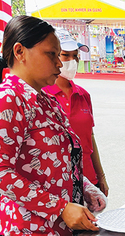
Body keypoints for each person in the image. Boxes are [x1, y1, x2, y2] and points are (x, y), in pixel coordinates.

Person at [0, 16, 106, 236]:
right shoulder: (6, 99)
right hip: (29, 232)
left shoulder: (47, 101)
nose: (60, 63)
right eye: (52, 54)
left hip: (60, 229)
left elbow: (60, 161)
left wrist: (87, 188)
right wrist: (60, 207)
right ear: (19, 52)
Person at [43, 28, 109, 196]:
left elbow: (90, 137)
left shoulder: (83, 95)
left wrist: (100, 176)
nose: (72, 61)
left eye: (76, 56)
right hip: (58, 183)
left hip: (88, 177)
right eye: (66, 55)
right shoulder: (42, 95)